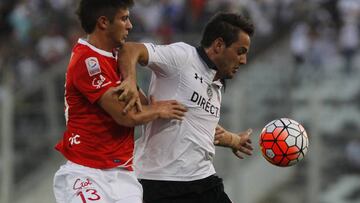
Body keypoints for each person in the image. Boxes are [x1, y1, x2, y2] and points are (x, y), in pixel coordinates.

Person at [52, 1, 187, 203]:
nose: (130, 25)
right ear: (104, 22)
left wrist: (133, 81)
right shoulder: (87, 60)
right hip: (86, 173)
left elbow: (140, 103)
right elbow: (128, 116)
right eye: (124, 18)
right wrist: (158, 110)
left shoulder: (117, 56)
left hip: (124, 175)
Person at [117, 12, 255, 203]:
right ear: (218, 45)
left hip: (203, 180)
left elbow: (199, 127)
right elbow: (130, 50)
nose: (243, 60)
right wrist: (130, 82)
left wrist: (233, 140)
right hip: (161, 182)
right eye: (240, 52)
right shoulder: (183, 57)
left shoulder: (216, 85)